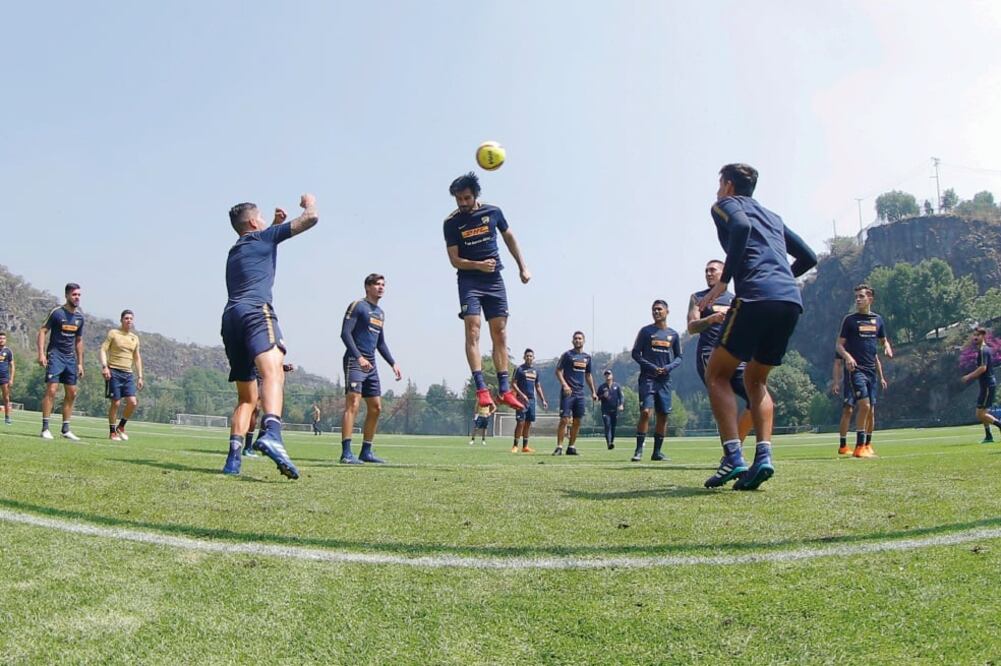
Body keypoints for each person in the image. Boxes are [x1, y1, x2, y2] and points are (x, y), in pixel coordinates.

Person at [699, 163, 817, 490]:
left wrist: (724, 283)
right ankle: (763, 457)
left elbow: (739, 229)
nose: (717, 190)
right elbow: (808, 257)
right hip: (790, 301)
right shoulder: (773, 217)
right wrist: (779, 282)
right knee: (756, 379)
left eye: (719, 183)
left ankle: (733, 456)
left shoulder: (725, 205)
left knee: (717, 373)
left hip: (754, 298)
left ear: (728, 185)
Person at [221, 195, 318, 478]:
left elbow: (264, 249)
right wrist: (308, 203)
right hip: (255, 312)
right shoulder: (263, 238)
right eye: (261, 217)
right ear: (253, 222)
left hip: (231, 318)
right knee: (274, 372)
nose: (264, 220)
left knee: (246, 398)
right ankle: (272, 432)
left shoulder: (235, 250)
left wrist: (274, 225)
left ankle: (233, 460)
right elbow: (311, 219)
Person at [443, 172, 530, 411]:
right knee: (473, 329)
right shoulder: (451, 223)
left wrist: (523, 268)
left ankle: (504, 390)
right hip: (469, 281)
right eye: (458, 199)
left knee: (500, 332)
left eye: (466, 198)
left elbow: (510, 238)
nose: (462, 203)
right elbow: (454, 260)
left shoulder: (493, 212)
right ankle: (482, 389)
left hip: (494, 280)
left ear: (475, 195)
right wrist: (478, 265)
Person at [340, 273, 403, 464]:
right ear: (367, 287)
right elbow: (345, 333)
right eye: (377, 284)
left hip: (371, 364)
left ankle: (366, 451)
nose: (381, 287)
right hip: (355, 361)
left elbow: (380, 343)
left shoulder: (380, 313)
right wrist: (358, 357)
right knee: (353, 404)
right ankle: (346, 453)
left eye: (383, 284)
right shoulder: (358, 306)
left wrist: (393, 363)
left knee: (376, 408)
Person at [688, 259, 753, 444]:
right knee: (725, 402)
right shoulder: (697, 297)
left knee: (757, 399)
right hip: (710, 354)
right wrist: (711, 319)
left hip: (736, 355)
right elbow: (692, 327)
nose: (708, 274)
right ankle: (732, 453)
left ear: (725, 274)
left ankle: (735, 448)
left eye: (713, 270)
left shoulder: (736, 299)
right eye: (706, 271)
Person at [835, 284, 893, 458]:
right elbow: (838, 345)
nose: (858, 300)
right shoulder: (849, 320)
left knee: (871, 410)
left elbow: (883, 340)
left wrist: (887, 347)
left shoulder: (878, 320)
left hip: (871, 371)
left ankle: (867, 444)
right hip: (856, 370)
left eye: (861, 296)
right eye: (856, 297)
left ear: (870, 299)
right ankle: (858, 447)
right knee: (863, 405)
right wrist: (848, 357)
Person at [631, 300, 683, 462]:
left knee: (663, 415)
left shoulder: (673, 334)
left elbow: (679, 357)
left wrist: (668, 367)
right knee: (646, 412)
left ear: (667, 312)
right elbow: (636, 354)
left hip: (665, 381)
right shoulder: (646, 332)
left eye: (660, 309)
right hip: (648, 379)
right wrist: (651, 367)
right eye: (654, 309)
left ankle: (657, 452)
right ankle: (639, 450)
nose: (656, 312)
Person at [37, 283, 85, 441]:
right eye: (74, 294)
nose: (77, 297)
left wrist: (79, 363)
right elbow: (43, 331)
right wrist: (42, 354)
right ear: (66, 296)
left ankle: (65, 429)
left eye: (78, 295)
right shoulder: (57, 313)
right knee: (51, 390)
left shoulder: (79, 317)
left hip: (70, 358)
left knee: (72, 393)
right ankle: (45, 428)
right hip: (56, 356)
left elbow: (79, 340)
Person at [99, 310, 143, 441]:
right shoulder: (113, 333)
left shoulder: (135, 338)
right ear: (121, 320)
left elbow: (137, 357)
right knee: (116, 403)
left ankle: (121, 426)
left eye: (131, 318)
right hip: (114, 372)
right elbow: (103, 349)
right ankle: (112, 431)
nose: (129, 320)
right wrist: (104, 366)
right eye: (126, 318)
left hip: (128, 374)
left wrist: (140, 376)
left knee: (132, 402)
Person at [831, 354, 885, 455]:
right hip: (851, 381)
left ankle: (867, 444)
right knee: (848, 410)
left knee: (870, 410)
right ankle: (843, 445)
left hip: (868, 379)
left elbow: (876, 358)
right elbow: (837, 363)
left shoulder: (867, 340)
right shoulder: (844, 345)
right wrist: (836, 382)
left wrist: (881, 377)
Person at [554, 331, 597, 456]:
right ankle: (559, 447)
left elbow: (588, 375)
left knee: (577, 421)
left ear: (584, 341)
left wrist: (593, 391)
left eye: (580, 338)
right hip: (568, 393)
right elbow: (558, 371)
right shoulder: (567, 355)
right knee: (564, 419)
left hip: (580, 393)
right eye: (575, 338)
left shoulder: (587, 358)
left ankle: (571, 447)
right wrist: (565, 385)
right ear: (572, 341)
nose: (578, 340)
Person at [962, 326, 1000, 443]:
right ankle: (988, 436)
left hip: (988, 385)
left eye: (977, 335)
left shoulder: (983, 350)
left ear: (983, 336)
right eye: (974, 335)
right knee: (982, 413)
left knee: (980, 414)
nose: (975, 337)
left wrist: (968, 376)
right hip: (985, 385)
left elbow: (983, 368)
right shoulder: (983, 350)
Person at [512, 348, 547, 453]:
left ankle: (525, 446)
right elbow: (513, 383)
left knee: (528, 423)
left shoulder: (535, 371)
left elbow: (538, 386)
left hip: (531, 400)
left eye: (531, 356)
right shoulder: (519, 369)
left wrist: (543, 400)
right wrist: (522, 395)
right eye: (527, 356)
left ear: (533, 358)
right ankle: (515, 446)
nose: (529, 358)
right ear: (524, 357)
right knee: (520, 422)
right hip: (520, 400)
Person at [596, 369, 624, 450]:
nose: (607, 376)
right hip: (605, 410)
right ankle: (609, 443)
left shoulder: (617, 386)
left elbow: (621, 396)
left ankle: (611, 442)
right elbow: (597, 398)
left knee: (613, 427)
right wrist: (602, 396)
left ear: (612, 376)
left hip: (614, 410)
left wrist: (621, 404)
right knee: (607, 425)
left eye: (609, 374)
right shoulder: (602, 387)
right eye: (606, 375)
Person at [0, 332, 15, 425]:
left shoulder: (8, 351)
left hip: (4, 378)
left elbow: (12, 365)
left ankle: (7, 417)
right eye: (0, 338)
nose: (1, 340)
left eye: (3, 338)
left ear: (5, 340)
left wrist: (11, 379)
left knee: (6, 398)